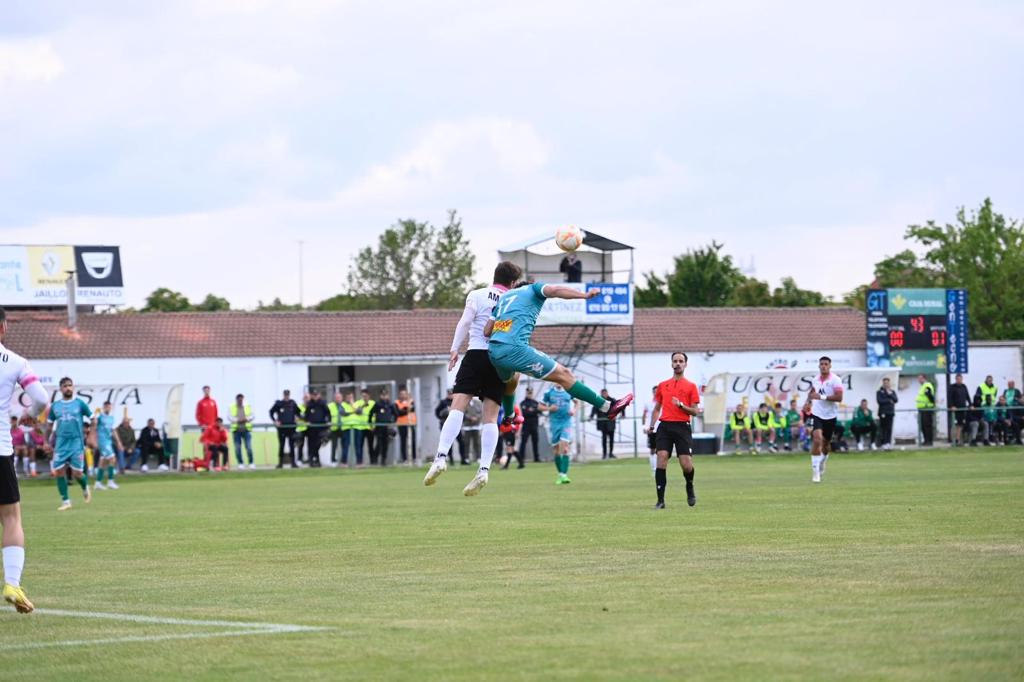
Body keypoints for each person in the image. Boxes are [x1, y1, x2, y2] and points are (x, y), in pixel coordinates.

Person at [423, 264, 530, 498]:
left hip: (476, 353)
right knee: (490, 417)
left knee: (458, 405)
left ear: (495, 277)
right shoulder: (514, 299)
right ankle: (483, 470)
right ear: (513, 283)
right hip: (500, 358)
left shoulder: (477, 295)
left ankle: (441, 457)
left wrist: (454, 350)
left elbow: (464, 322)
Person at [485, 280, 632, 441]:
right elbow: (555, 289)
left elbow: (487, 331)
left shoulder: (504, 298)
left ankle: (509, 417)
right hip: (514, 348)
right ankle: (607, 407)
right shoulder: (533, 289)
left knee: (512, 379)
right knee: (564, 375)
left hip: (494, 351)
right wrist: (584, 295)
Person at [0, 307, 49, 612]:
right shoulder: (15, 362)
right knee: (10, 517)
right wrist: (27, 417)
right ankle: (12, 584)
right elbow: (42, 398)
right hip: (0, 449)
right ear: (3, 329)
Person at [648, 352, 701, 509]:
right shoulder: (663, 385)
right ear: (671, 364)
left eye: (681, 361)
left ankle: (689, 485)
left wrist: (681, 406)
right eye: (675, 361)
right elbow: (657, 408)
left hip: (682, 427)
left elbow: (695, 411)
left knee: (686, 464)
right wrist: (652, 425)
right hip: (665, 426)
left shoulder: (691, 386)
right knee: (662, 457)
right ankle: (660, 500)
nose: (678, 363)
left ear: (685, 364)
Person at [45, 377, 93, 509]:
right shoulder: (55, 406)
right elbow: (49, 426)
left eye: (70, 385)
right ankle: (66, 501)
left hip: (76, 443)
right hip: (61, 443)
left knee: (77, 473)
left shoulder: (80, 404)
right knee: (59, 471)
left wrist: (90, 434)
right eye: (65, 386)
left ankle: (84, 486)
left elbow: (93, 418)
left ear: (73, 387)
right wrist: (46, 442)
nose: (68, 388)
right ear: (60, 389)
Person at [806, 356, 844, 483]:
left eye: (826, 364)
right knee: (817, 439)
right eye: (821, 364)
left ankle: (822, 463)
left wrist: (821, 397)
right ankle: (815, 472)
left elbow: (839, 398)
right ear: (819, 366)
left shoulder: (836, 380)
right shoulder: (815, 379)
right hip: (817, 413)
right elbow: (812, 392)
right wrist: (808, 401)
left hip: (830, 415)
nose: (823, 366)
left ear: (830, 365)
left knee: (826, 445)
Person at [540, 385, 576, 484]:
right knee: (556, 450)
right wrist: (549, 408)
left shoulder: (569, 390)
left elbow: (577, 402)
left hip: (566, 422)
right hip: (554, 424)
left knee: (564, 446)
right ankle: (561, 474)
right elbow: (539, 407)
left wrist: (574, 410)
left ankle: (564, 475)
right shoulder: (549, 392)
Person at [92, 401, 122, 490]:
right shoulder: (100, 417)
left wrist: (119, 442)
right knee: (112, 458)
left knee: (103, 462)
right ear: (103, 407)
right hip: (102, 441)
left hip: (108, 441)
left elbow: (113, 431)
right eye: (106, 407)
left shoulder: (111, 418)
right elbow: (94, 425)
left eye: (109, 407)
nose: (108, 408)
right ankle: (110, 481)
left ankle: (98, 483)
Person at [269, 389, 300, 468]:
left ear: (289, 395)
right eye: (285, 395)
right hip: (282, 428)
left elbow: (298, 412)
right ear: (283, 395)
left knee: (291, 445)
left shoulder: (293, 403)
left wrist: (297, 417)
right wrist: (275, 421)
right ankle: (280, 463)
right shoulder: (279, 404)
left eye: (288, 395)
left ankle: (293, 463)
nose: (286, 396)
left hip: (291, 428)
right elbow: (271, 412)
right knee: (281, 445)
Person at [304, 389, 330, 468]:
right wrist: (307, 421)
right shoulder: (309, 404)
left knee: (318, 444)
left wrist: (328, 421)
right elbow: (306, 415)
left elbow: (328, 413)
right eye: (313, 395)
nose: (315, 396)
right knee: (311, 444)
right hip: (311, 428)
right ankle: (313, 461)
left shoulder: (323, 403)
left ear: (319, 395)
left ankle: (315, 459)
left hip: (321, 427)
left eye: (316, 395)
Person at [370, 388, 397, 466]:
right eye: (383, 395)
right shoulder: (377, 404)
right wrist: (371, 424)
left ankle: (383, 460)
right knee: (379, 443)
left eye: (386, 395)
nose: (384, 397)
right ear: (380, 396)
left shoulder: (390, 404)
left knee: (385, 444)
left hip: (387, 427)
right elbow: (371, 413)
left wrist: (392, 422)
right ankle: (375, 459)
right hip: (379, 427)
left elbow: (395, 414)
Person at [229, 393, 255, 469]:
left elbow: (253, 415)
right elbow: (229, 417)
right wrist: (238, 420)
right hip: (236, 430)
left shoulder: (248, 406)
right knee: (237, 448)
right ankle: (240, 463)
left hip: (246, 430)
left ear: (243, 399)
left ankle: (251, 462)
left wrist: (246, 419)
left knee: (249, 447)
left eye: (241, 399)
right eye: (239, 400)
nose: (240, 401)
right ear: (236, 399)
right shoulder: (231, 407)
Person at [518, 387, 542, 464]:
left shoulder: (536, 403)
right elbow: (525, 413)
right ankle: (521, 458)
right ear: (526, 393)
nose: (530, 394)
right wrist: (534, 411)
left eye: (531, 393)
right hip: (526, 426)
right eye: (528, 393)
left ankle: (536, 458)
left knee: (535, 442)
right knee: (523, 442)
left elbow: (540, 412)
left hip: (534, 425)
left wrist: (533, 410)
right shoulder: (523, 403)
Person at [591, 388, 616, 459]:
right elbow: (594, 409)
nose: (604, 395)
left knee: (611, 439)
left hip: (611, 423)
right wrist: (591, 416)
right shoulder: (598, 400)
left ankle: (611, 453)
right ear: (601, 394)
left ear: (607, 393)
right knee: (604, 439)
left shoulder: (612, 400)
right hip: (603, 424)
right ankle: (604, 454)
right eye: (603, 393)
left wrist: (623, 414)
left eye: (605, 393)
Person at [394, 387, 417, 465]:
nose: (403, 395)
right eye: (401, 394)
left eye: (405, 394)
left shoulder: (411, 401)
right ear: (399, 395)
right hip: (402, 424)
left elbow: (413, 409)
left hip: (411, 424)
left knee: (413, 441)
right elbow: (398, 413)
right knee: (403, 441)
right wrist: (406, 409)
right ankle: (404, 459)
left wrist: (405, 409)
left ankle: (414, 458)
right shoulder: (397, 402)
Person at [946, 373, 970, 446]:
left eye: (960, 379)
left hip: (962, 409)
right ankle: (953, 440)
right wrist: (951, 406)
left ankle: (958, 440)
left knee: (960, 425)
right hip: (954, 410)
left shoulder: (964, 386)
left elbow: (967, 396)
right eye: (958, 379)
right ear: (956, 379)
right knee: (954, 425)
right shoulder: (952, 387)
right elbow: (949, 398)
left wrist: (971, 404)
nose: (959, 380)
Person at [498, 404, 525, 469]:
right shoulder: (502, 407)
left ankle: (506, 465)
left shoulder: (514, 407)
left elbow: (518, 420)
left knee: (509, 448)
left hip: (510, 431)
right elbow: (502, 419)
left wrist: (518, 431)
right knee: (512, 448)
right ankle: (521, 463)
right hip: (505, 431)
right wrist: (501, 430)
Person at [353, 388, 375, 466]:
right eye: (363, 396)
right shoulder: (358, 403)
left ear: (369, 395)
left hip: (370, 427)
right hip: (360, 427)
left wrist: (373, 425)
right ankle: (359, 462)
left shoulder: (373, 403)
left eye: (366, 396)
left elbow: (375, 414)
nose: (364, 397)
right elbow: (355, 410)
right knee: (359, 445)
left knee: (370, 446)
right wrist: (362, 406)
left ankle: (373, 462)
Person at [876, 377, 898, 450]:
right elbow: (880, 401)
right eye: (885, 383)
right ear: (883, 383)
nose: (886, 384)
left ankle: (888, 442)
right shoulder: (879, 392)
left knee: (889, 428)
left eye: (887, 383)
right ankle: (883, 443)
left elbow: (895, 400)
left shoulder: (892, 392)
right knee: (883, 428)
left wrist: (890, 394)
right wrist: (889, 400)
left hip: (890, 412)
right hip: (883, 412)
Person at [642, 386, 660, 474]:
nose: (656, 393)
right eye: (654, 392)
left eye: (657, 391)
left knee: (661, 450)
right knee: (652, 449)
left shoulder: (663, 402)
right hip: (651, 429)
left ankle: (659, 469)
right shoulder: (648, 403)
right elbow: (644, 416)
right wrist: (644, 427)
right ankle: (654, 469)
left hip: (661, 429)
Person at [915, 374, 936, 446]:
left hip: (926, 408)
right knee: (923, 426)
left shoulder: (927, 385)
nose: (919, 380)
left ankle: (929, 441)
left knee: (927, 425)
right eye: (918, 378)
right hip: (922, 409)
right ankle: (926, 440)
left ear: (924, 378)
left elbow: (929, 394)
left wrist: (932, 403)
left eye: (920, 378)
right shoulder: (923, 386)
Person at [339, 391, 358, 467]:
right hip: (346, 428)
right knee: (345, 446)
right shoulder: (342, 405)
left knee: (357, 446)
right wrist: (353, 412)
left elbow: (359, 411)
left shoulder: (356, 404)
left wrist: (352, 404)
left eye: (351, 397)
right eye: (348, 397)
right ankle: (344, 462)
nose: (349, 399)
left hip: (356, 427)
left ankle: (358, 463)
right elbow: (343, 413)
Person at [461, 397, 483, 463]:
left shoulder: (478, 402)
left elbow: (481, 412)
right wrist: (470, 418)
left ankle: (479, 457)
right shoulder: (464, 402)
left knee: (477, 443)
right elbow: (463, 413)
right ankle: (466, 458)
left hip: (476, 426)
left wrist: (477, 417)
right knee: (466, 443)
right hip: (467, 426)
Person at [327, 391, 344, 465]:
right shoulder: (330, 405)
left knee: (344, 445)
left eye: (339, 397)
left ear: (342, 398)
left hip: (343, 428)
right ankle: (333, 460)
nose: (338, 399)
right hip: (334, 428)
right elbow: (326, 415)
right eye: (336, 397)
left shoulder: (344, 405)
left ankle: (344, 460)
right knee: (334, 445)